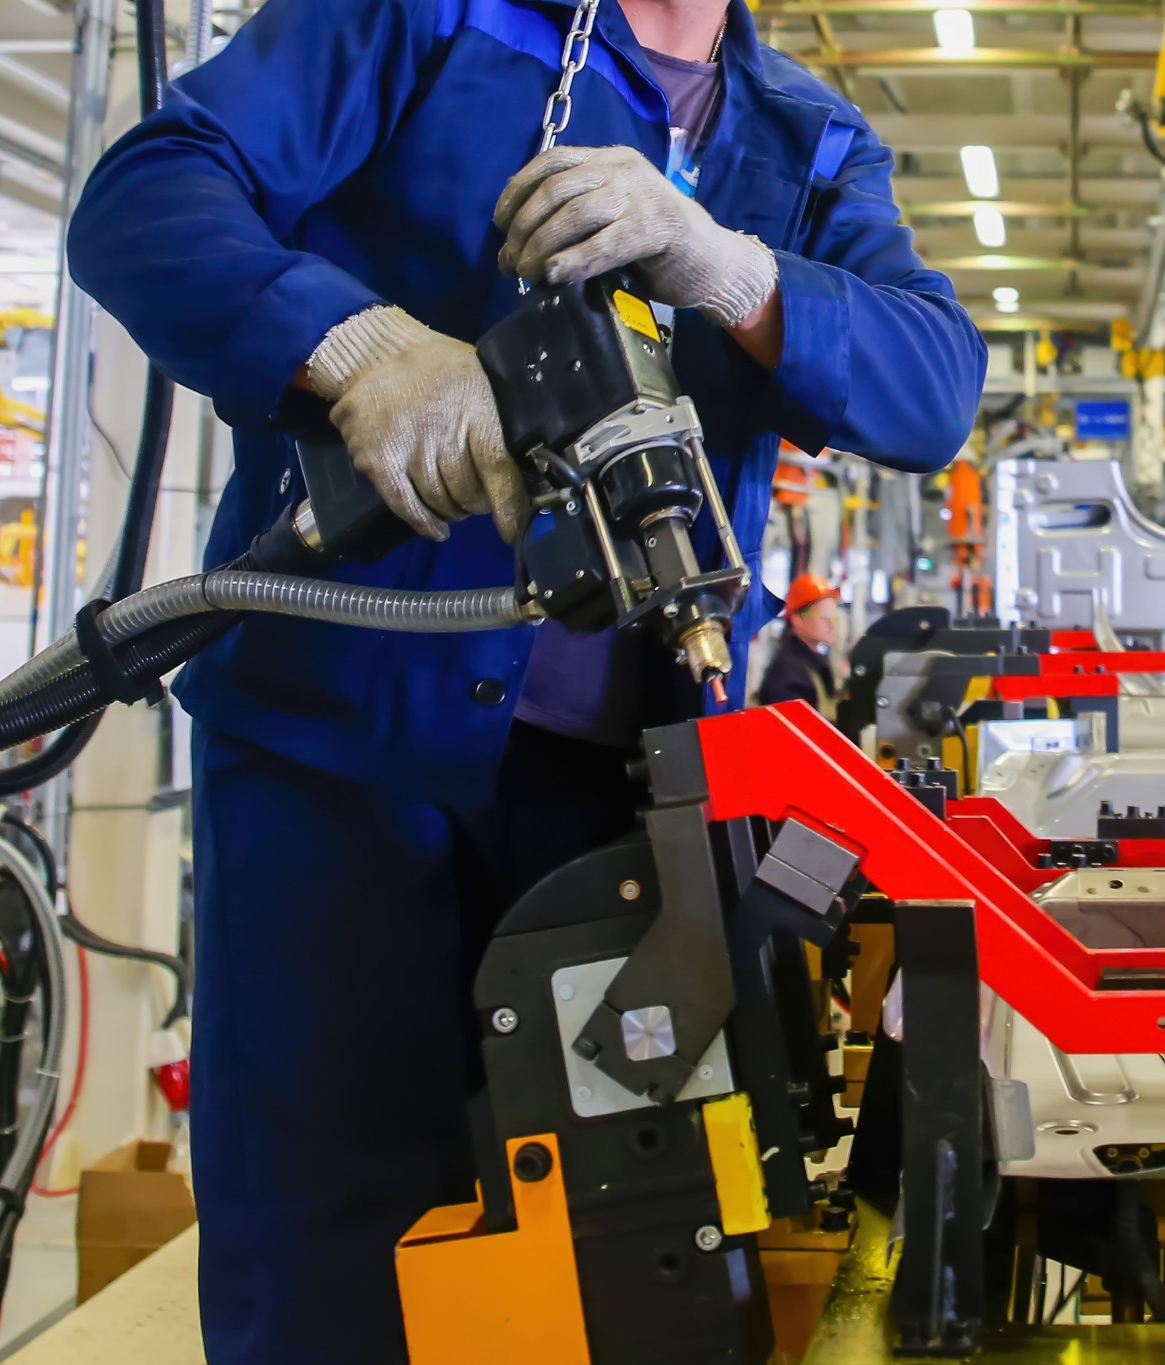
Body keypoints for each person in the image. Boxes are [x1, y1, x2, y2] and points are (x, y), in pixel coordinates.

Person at [64, 0, 986, 1357]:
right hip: (346, 761)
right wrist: (361, 351)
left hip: (627, 799)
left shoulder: (803, 137)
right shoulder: (418, 20)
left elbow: (932, 385)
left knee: (636, 1242)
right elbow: (145, 197)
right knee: (338, 1236)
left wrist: (729, 270)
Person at [757, 572, 842, 720]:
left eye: (833, 616)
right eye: (824, 616)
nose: (832, 624)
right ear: (798, 620)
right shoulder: (789, 673)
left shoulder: (812, 662)